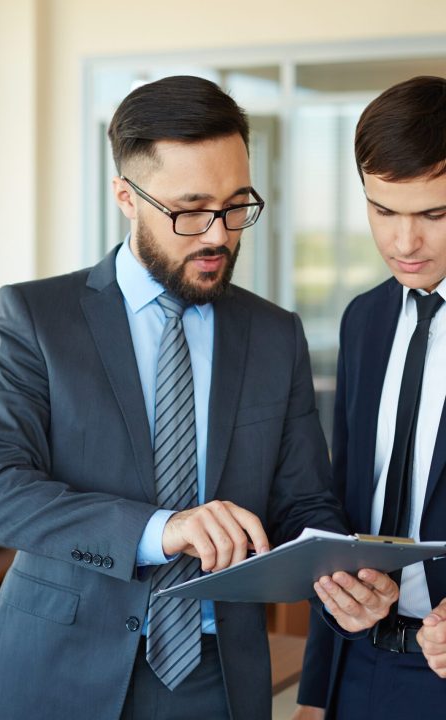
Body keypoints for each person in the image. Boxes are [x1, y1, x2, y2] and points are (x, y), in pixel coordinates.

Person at [0, 75, 397, 720]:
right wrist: (161, 529)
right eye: (190, 210)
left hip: (217, 678)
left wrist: (342, 574)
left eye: (236, 205)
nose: (218, 235)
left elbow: (304, 501)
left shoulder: (276, 334)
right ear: (126, 196)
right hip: (58, 669)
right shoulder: (35, 316)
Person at [294, 75, 446, 720]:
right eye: (383, 211)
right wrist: (314, 688)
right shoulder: (363, 320)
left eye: (435, 214)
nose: (404, 243)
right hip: (359, 666)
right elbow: (343, 502)